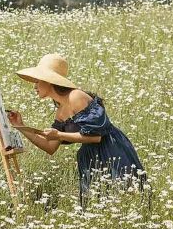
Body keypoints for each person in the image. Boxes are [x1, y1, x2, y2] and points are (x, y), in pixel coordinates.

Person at [8, 53, 146, 206]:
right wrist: (20, 126)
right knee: (99, 204)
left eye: (37, 81)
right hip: (91, 156)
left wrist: (59, 134)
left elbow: (96, 137)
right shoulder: (60, 112)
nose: (34, 86)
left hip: (111, 150)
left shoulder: (76, 96)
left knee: (125, 197)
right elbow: (49, 147)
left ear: (49, 81)